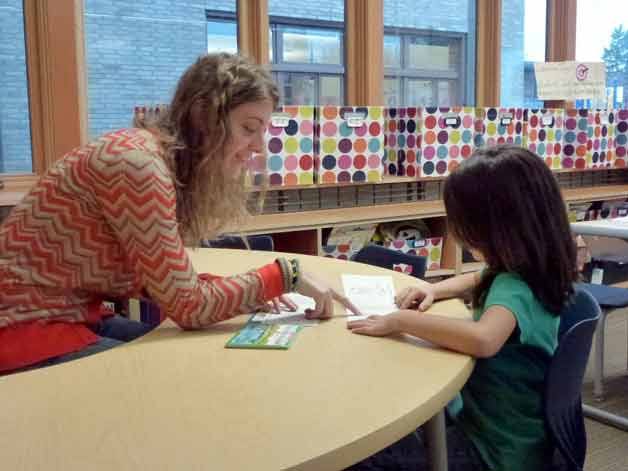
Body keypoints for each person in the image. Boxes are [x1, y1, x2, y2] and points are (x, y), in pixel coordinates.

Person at [0, 52, 358, 375]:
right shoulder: (138, 165)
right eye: (249, 128)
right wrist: (286, 275)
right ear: (204, 116)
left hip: (66, 315)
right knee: (181, 379)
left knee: (193, 363)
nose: (258, 148)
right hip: (22, 329)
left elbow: (156, 280)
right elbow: (189, 309)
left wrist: (238, 288)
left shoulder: (152, 158)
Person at [347, 145, 579, 471]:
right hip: (502, 429)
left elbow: (484, 339)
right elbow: (473, 279)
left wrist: (403, 320)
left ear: (494, 226)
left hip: (492, 451)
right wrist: (432, 288)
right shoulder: (529, 268)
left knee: (362, 455)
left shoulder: (514, 288)